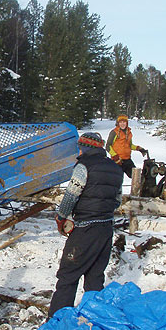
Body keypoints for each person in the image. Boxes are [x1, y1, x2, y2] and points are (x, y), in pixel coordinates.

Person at [49, 132, 124, 317]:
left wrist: (62, 216)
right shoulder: (116, 169)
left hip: (85, 228)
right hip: (106, 229)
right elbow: (117, 200)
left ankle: (58, 319)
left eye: (80, 147)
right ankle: (93, 318)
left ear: (84, 147)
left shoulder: (83, 166)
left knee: (68, 275)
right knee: (95, 277)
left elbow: (71, 195)